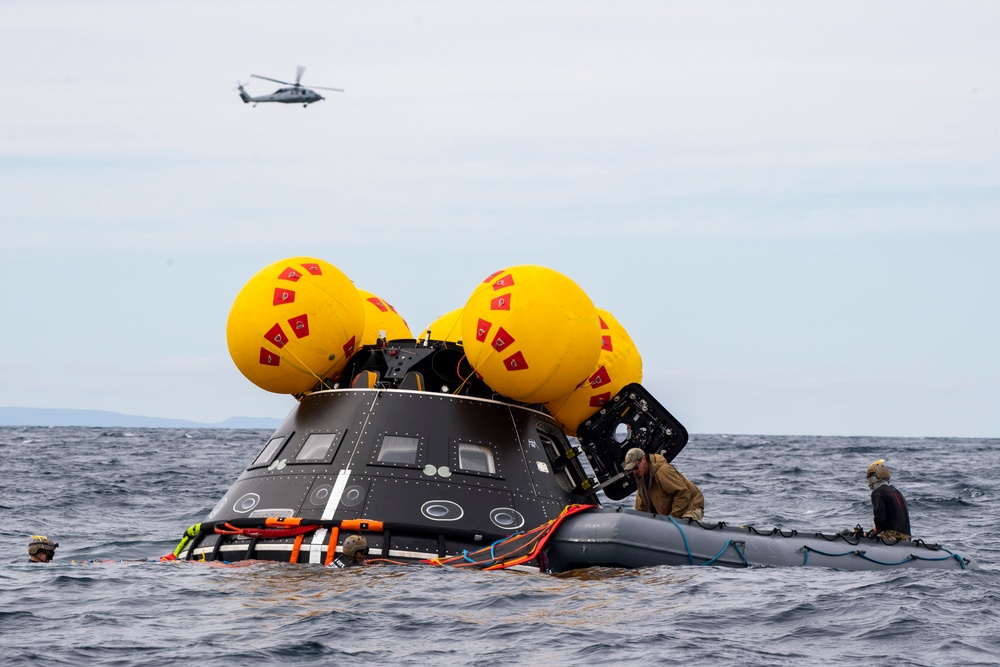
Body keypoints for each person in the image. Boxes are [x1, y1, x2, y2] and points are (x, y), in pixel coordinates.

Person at [622, 447, 704, 520]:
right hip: (670, 513)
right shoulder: (642, 480)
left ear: (643, 459)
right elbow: (641, 506)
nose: (635, 471)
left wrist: (672, 518)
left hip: (690, 507)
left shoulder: (662, 470)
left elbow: (683, 493)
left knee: (684, 525)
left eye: (635, 467)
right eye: (632, 469)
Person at [866, 459, 911, 541]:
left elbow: (880, 521)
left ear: (876, 477)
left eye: (869, 477)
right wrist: (871, 532)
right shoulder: (897, 492)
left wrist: (868, 535)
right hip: (907, 538)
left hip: (892, 536)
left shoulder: (877, 492)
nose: (868, 481)